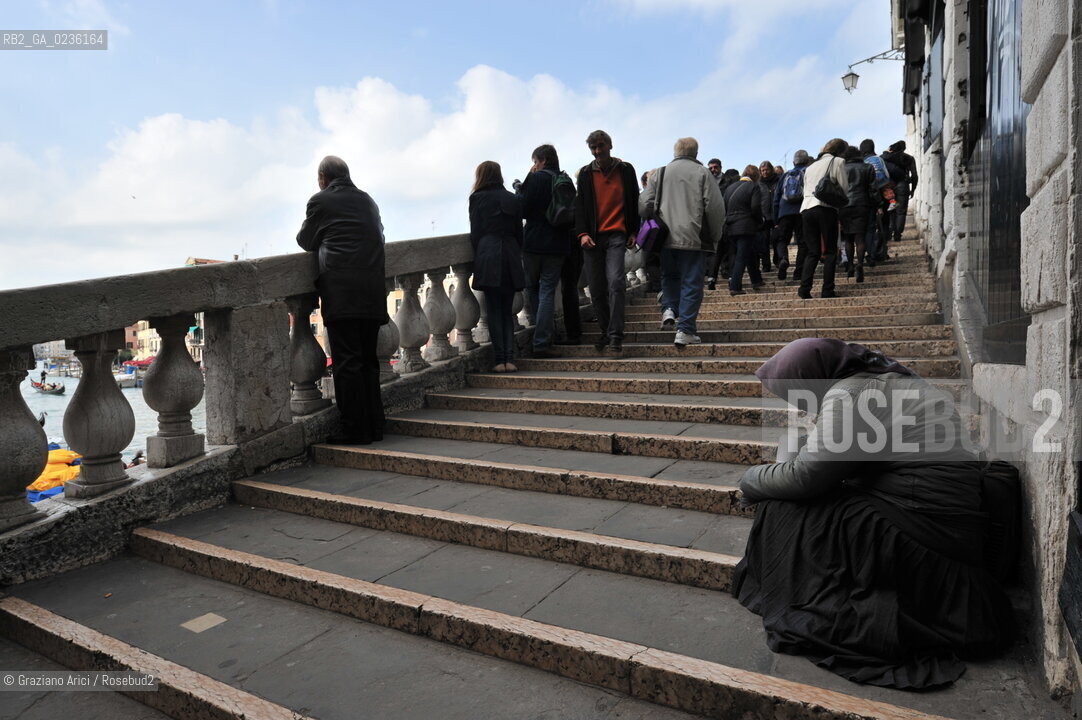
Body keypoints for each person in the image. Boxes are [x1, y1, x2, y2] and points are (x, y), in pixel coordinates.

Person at [733, 337, 1014, 689]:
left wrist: (749, 480)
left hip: (922, 534)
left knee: (780, 504)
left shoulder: (851, 393)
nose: (797, 403)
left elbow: (804, 478)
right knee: (791, 472)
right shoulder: (883, 378)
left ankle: (802, 591)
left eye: (794, 392)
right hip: (940, 527)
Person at [297, 155, 387, 445]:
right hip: (372, 290)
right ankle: (375, 426)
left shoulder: (320, 201)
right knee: (368, 361)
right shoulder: (368, 201)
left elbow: (305, 240)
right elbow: (380, 236)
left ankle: (355, 430)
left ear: (323, 177)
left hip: (342, 291)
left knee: (347, 363)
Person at [639, 137, 726, 347]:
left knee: (669, 276)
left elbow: (643, 204)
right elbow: (715, 208)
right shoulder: (703, 173)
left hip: (665, 236)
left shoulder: (660, 173)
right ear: (696, 153)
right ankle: (685, 329)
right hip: (693, 237)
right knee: (691, 282)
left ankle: (668, 308)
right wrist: (715, 236)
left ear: (675, 152)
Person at [574, 130, 640, 355]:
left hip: (616, 235)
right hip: (592, 238)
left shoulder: (625, 170)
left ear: (610, 145)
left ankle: (615, 336)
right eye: (593, 148)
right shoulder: (585, 174)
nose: (597, 151)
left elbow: (633, 199)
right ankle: (606, 330)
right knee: (597, 289)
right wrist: (582, 233)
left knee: (616, 282)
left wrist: (634, 230)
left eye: (600, 146)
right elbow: (580, 206)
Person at [518, 145, 573, 357]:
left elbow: (522, 209)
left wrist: (523, 186)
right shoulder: (563, 179)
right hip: (558, 243)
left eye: (535, 161)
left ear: (542, 160)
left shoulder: (536, 178)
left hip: (533, 242)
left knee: (533, 287)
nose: (534, 165)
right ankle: (544, 339)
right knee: (548, 290)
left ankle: (541, 340)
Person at [470, 161, 525, 372]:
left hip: (489, 253)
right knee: (506, 309)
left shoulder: (477, 198)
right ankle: (509, 359)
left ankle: (499, 360)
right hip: (510, 252)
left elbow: (476, 233)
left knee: (493, 309)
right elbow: (519, 233)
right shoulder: (512, 198)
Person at [798, 139, 849, 299]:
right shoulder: (838, 162)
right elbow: (844, 188)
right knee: (830, 251)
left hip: (806, 209)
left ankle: (804, 289)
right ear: (841, 151)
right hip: (825, 208)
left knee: (812, 252)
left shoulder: (810, 167)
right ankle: (827, 290)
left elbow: (806, 189)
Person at [722, 165, 764, 297]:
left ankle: (756, 280)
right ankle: (735, 286)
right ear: (756, 176)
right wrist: (760, 220)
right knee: (741, 257)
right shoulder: (753, 186)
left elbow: (724, 207)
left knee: (748, 252)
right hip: (746, 226)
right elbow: (755, 206)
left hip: (731, 226)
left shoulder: (730, 188)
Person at [772, 150, 811, 281]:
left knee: (782, 240)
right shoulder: (808, 172)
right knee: (802, 242)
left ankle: (783, 258)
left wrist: (776, 218)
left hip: (784, 212)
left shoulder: (785, 175)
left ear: (794, 162)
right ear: (807, 161)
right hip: (802, 211)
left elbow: (776, 198)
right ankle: (798, 272)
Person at [840, 146, 877, 283]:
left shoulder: (841, 168)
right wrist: (876, 204)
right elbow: (873, 189)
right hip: (862, 204)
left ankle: (850, 265)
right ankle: (860, 264)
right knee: (860, 238)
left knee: (848, 238)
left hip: (844, 205)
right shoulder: (867, 167)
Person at [859, 139, 890, 266]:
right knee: (883, 224)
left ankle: (869, 251)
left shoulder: (862, 162)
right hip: (881, 194)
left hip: (867, 197)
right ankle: (880, 251)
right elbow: (887, 176)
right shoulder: (879, 159)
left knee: (868, 226)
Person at [881, 140, 918, 245]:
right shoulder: (909, 158)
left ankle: (889, 231)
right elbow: (915, 176)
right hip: (903, 186)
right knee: (901, 211)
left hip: (889, 187)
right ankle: (898, 234)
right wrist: (913, 189)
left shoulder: (885, 158)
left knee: (891, 209)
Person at [758, 161, 780, 273]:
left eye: (766, 170)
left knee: (777, 239)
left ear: (771, 170)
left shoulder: (778, 180)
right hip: (764, 216)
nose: (765, 172)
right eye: (762, 170)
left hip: (777, 214)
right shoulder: (758, 183)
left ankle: (777, 260)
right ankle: (766, 265)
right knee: (764, 242)